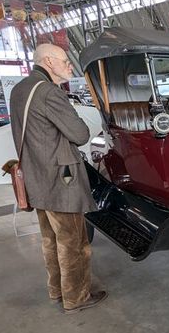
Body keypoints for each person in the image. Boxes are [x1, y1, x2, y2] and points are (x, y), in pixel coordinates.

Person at [9, 44, 106, 314]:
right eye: (65, 61)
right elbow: (80, 134)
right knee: (74, 243)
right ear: (49, 62)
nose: (69, 66)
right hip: (60, 180)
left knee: (50, 240)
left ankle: (57, 290)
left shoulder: (21, 89)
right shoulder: (49, 92)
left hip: (37, 177)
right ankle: (76, 297)